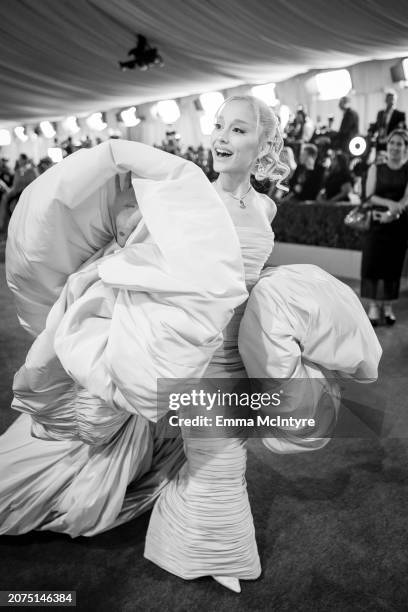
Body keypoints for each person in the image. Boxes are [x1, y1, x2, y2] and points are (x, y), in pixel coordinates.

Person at [1, 108, 381, 595]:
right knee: (219, 458)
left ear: (263, 145)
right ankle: (207, 552)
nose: (221, 138)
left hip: (243, 347)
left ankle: (190, 541)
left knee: (217, 452)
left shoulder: (266, 208)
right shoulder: (188, 195)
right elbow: (145, 253)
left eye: (237, 129)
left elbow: (244, 275)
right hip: (196, 352)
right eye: (219, 126)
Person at [361, 129, 408, 325]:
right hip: (376, 222)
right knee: (373, 262)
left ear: (405, 148)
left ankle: (388, 305)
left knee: (393, 265)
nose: (395, 147)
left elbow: (407, 198)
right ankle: (373, 304)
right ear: (387, 146)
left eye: (399, 144)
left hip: (398, 223)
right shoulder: (375, 168)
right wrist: (390, 205)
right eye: (392, 143)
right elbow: (369, 196)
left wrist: (395, 212)